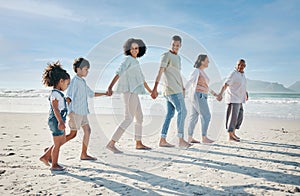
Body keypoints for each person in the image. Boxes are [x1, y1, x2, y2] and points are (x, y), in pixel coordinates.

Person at [106, 38, 152, 153]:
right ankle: (111, 144)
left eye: (136, 48)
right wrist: (110, 87)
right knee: (128, 118)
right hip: (128, 91)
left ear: (140, 49)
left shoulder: (136, 62)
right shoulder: (128, 59)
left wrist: (151, 91)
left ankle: (138, 143)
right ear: (128, 49)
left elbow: (142, 79)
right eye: (132, 48)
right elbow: (119, 72)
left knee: (139, 117)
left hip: (134, 92)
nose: (134, 50)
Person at [151, 35, 191, 148]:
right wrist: (155, 88)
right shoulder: (165, 55)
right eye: (173, 45)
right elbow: (160, 71)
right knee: (183, 111)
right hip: (171, 89)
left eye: (177, 45)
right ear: (171, 44)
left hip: (176, 88)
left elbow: (177, 74)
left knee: (170, 114)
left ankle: (162, 140)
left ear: (180, 46)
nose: (175, 47)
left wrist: (183, 87)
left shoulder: (178, 58)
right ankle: (181, 139)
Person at [66, 57, 107, 159]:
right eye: (85, 69)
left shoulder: (82, 82)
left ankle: (83, 154)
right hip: (75, 113)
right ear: (78, 69)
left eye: (88, 69)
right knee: (72, 135)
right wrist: (68, 112)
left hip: (83, 112)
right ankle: (51, 150)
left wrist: (105, 93)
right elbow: (68, 97)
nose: (87, 71)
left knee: (87, 131)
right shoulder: (75, 81)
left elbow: (91, 94)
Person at [40, 62, 70, 171]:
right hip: (56, 120)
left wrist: (67, 101)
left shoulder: (59, 94)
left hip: (59, 120)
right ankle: (54, 165)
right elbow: (55, 108)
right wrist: (60, 122)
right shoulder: (55, 94)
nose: (67, 86)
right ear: (61, 81)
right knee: (58, 144)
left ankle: (46, 155)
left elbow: (61, 106)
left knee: (62, 140)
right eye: (67, 84)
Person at [185, 54, 218, 144]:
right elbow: (190, 81)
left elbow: (206, 86)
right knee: (207, 115)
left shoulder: (202, 72)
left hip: (200, 95)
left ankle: (190, 138)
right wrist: (183, 90)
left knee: (194, 117)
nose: (208, 62)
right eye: (207, 60)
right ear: (202, 61)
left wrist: (215, 94)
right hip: (198, 95)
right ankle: (204, 138)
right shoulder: (196, 71)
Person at [217, 59, 248, 142]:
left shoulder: (242, 75)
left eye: (242, 65)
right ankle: (230, 136)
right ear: (236, 65)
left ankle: (233, 133)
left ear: (245, 66)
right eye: (239, 65)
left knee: (239, 117)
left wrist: (246, 93)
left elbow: (243, 85)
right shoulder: (233, 74)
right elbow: (226, 84)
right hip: (233, 99)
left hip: (240, 99)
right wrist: (220, 94)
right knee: (233, 118)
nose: (240, 66)